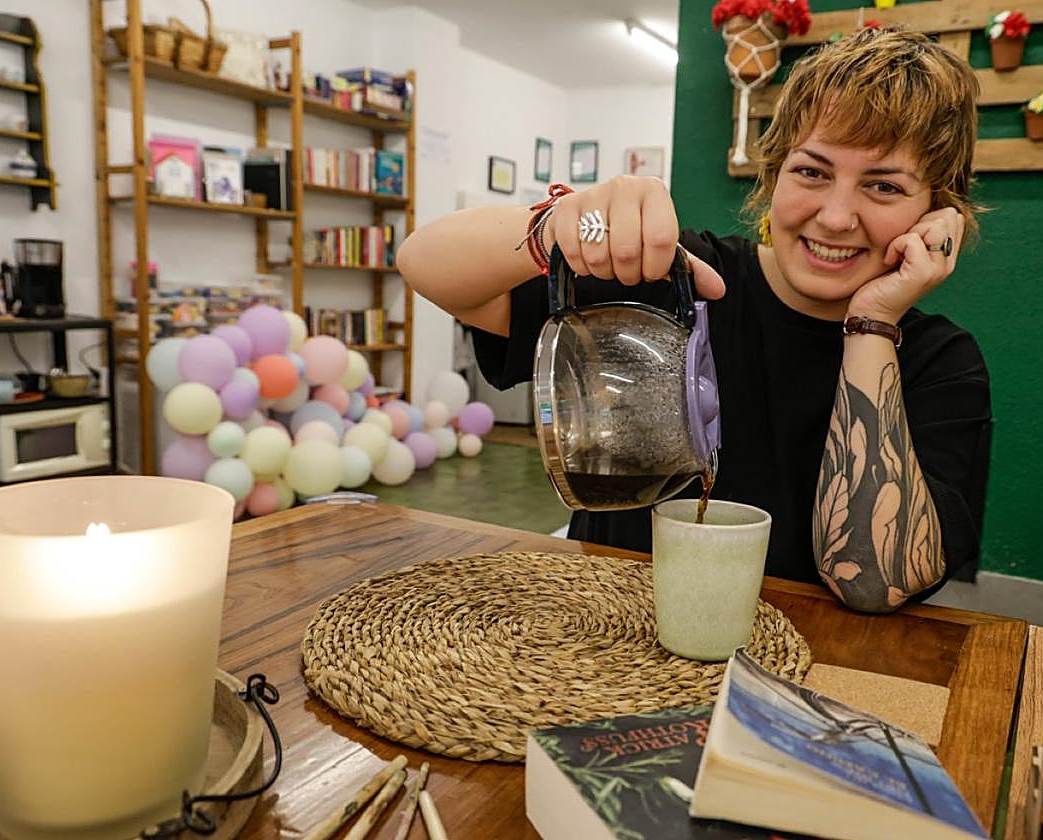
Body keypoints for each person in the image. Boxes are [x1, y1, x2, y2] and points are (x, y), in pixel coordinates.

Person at [397, 28, 991, 614]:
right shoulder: (673, 278)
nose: (835, 217)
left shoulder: (940, 363)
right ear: (775, 173)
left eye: (883, 186)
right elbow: (424, 264)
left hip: (807, 671)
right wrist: (555, 227)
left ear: (938, 212)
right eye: (811, 172)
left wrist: (873, 323)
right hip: (605, 644)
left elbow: (873, 580)